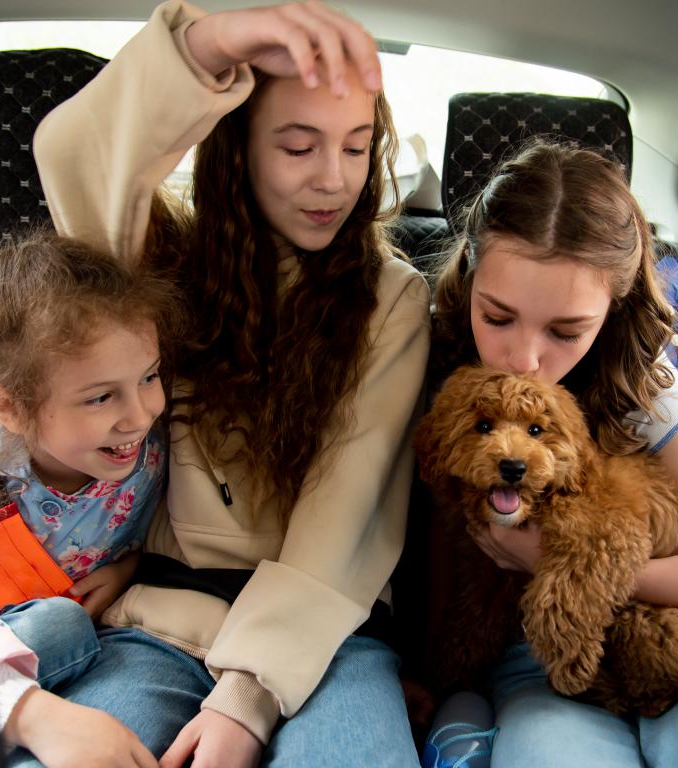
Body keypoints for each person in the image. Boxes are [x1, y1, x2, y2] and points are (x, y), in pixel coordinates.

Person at [27, 1, 431, 767]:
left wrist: (248, 698)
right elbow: (73, 151)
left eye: (355, 147)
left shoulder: (392, 297)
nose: (334, 180)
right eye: (297, 145)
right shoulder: (161, 267)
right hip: (162, 623)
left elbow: (350, 503)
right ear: (237, 145)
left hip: (327, 638)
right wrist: (207, 44)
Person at [426, 139, 678, 767]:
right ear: (469, 278)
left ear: (612, 312)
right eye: (497, 317)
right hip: (532, 651)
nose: (526, 359)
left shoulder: (641, 384)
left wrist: (569, 566)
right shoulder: (435, 357)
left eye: (565, 332)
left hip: (674, 627)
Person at [0, 231, 182, 767]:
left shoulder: (152, 450)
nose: (140, 415)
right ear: (8, 408)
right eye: (100, 397)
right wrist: (28, 712)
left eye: (149, 377)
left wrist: (131, 568)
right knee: (60, 625)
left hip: (108, 647)